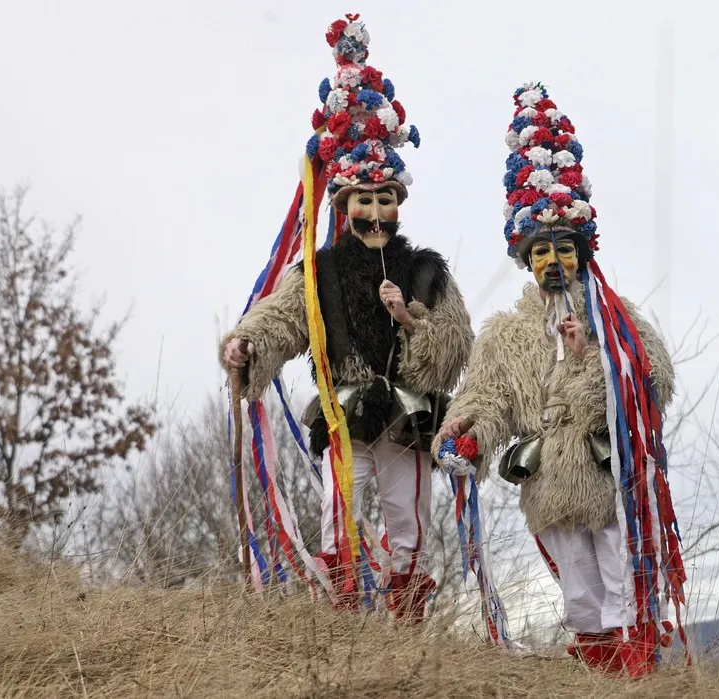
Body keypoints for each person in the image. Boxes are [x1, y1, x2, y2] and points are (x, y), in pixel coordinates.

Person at [220, 14, 473, 622]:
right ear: (344, 205)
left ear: (398, 204)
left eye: (386, 199)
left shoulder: (424, 269)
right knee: (342, 504)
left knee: (407, 515)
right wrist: (246, 345)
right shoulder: (319, 271)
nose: (376, 212)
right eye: (364, 199)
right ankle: (343, 615)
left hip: (409, 415)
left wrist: (410, 322)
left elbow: (456, 343)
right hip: (344, 410)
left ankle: (406, 619)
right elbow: (282, 319)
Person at [434, 82, 687, 675]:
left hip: (609, 474)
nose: (552, 261)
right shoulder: (508, 333)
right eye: (539, 250)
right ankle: (596, 670)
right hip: (547, 483)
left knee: (622, 567)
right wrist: (466, 433)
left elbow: (656, 381)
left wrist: (588, 364)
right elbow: (487, 394)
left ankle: (635, 670)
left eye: (562, 249)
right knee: (578, 585)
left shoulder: (616, 319)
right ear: (525, 258)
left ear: (582, 251)